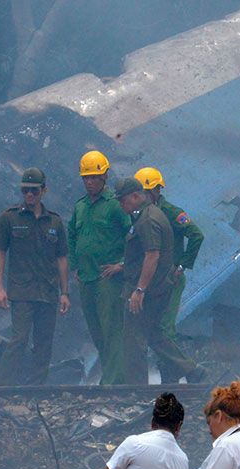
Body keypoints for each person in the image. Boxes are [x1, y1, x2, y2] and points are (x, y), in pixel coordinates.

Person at [115, 176, 206, 385]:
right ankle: (191, 370)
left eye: (123, 200)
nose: (121, 204)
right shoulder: (147, 214)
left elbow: (152, 255)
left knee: (133, 339)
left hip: (148, 289)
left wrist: (139, 290)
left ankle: (136, 387)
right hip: (154, 287)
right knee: (154, 333)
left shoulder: (148, 219)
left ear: (136, 196)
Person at [0, 167, 69, 386]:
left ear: (43, 190)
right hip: (22, 290)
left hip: (48, 291)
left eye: (34, 191)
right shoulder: (10, 218)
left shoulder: (54, 222)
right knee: (19, 339)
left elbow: (61, 258)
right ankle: (4, 387)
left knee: (44, 343)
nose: (29, 195)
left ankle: (36, 390)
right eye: (25, 190)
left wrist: (65, 292)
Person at [68, 150, 129, 384]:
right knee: (96, 331)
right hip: (86, 278)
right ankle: (112, 376)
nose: (90, 181)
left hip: (107, 279)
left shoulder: (114, 205)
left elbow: (132, 236)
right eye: (86, 177)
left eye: (94, 177)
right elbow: (72, 235)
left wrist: (122, 265)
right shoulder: (80, 207)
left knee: (111, 330)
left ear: (104, 177)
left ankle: (113, 382)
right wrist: (75, 265)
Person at [133, 167, 204, 342]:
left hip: (171, 278)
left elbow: (196, 235)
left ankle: (173, 367)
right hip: (154, 279)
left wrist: (182, 265)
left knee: (165, 326)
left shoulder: (171, 212)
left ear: (155, 191)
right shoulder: (140, 215)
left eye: (144, 192)